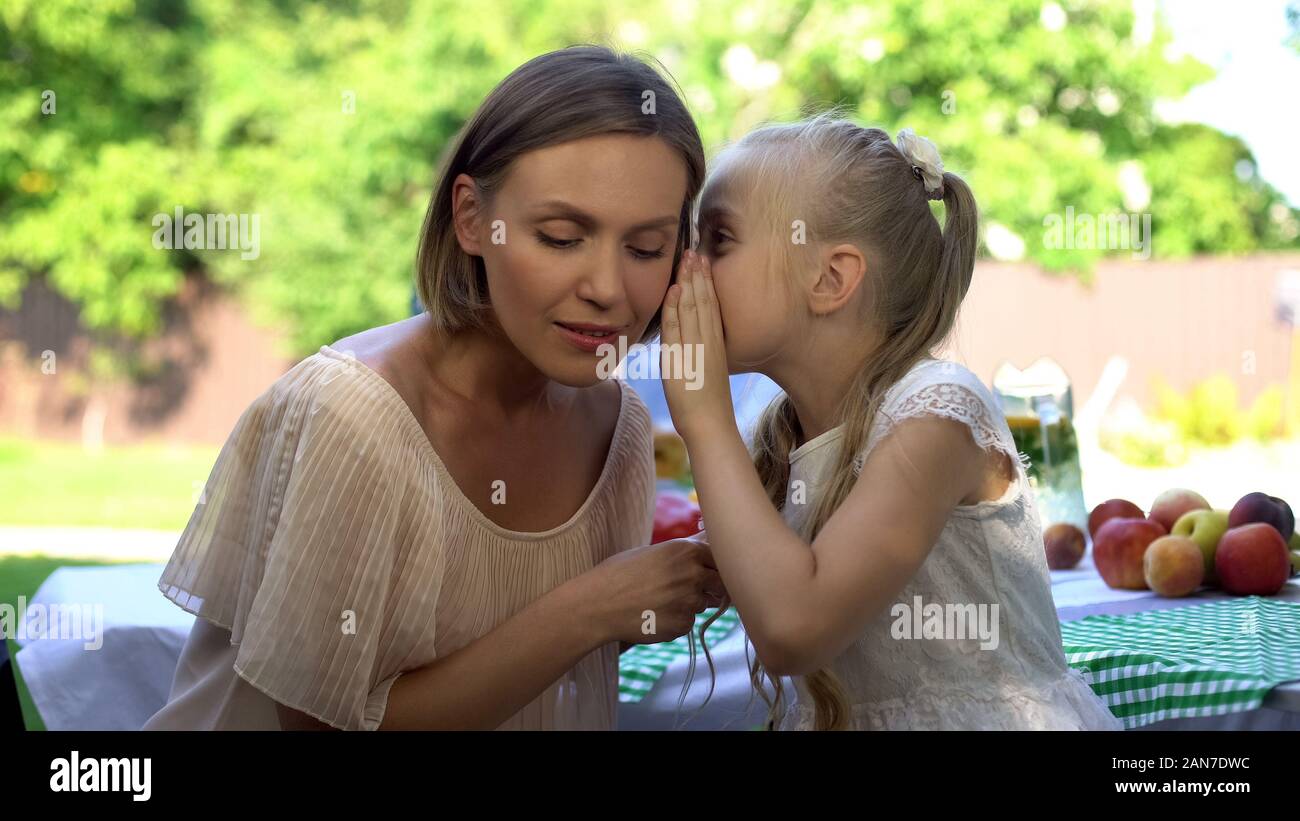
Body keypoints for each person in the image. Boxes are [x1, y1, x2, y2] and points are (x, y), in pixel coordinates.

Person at [143, 45, 723, 731]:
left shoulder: (618, 425)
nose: (606, 288)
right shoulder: (351, 417)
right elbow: (318, 727)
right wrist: (591, 607)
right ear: (472, 218)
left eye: (646, 248)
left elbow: (526, 670)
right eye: (563, 237)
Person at [659, 113, 1123, 730]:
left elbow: (794, 630)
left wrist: (704, 420)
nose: (687, 264)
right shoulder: (782, 438)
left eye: (719, 239)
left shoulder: (936, 413)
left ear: (830, 279)